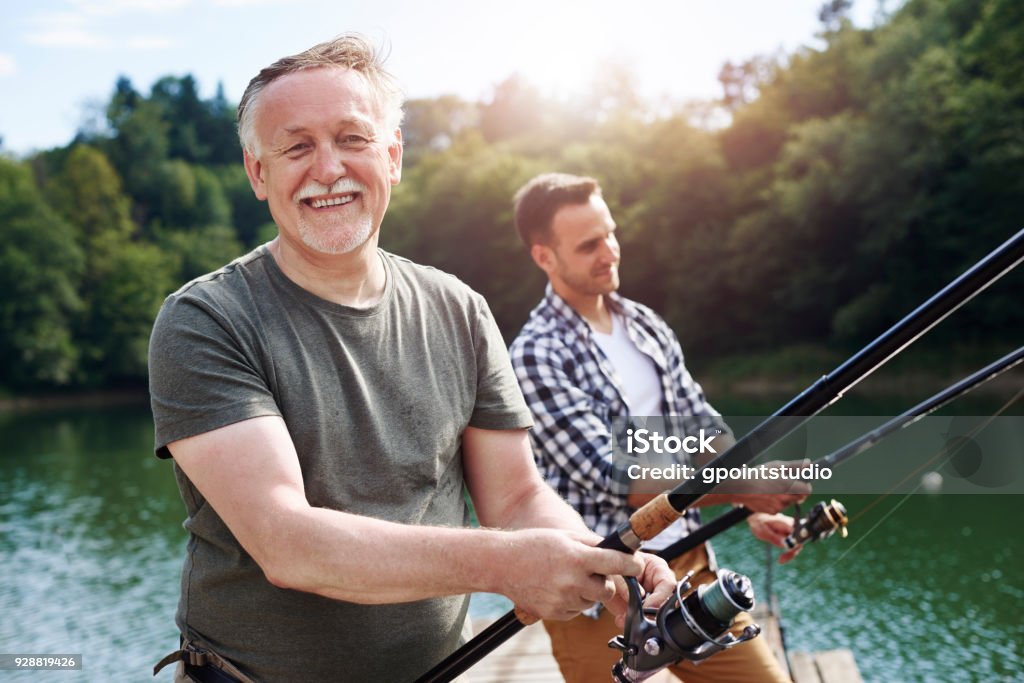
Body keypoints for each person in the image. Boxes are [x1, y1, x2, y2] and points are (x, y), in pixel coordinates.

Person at [148, 38, 675, 683]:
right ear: (258, 174)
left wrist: (596, 560)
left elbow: (515, 499)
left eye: (352, 138)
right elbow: (289, 545)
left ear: (393, 156)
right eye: (296, 147)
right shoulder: (205, 320)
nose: (328, 168)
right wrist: (511, 565)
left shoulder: (461, 309)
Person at [509, 172, 811, 683]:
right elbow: (617, 476)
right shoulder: (535, 355)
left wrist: (747, 503)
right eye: (588, 245)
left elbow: (702, 427)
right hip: (597, 587)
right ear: (545, 257)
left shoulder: (647, 326)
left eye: (610, 233)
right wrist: (747, 488)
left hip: (688, 565)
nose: (609, 252)